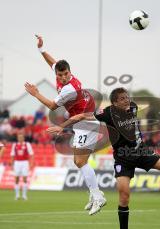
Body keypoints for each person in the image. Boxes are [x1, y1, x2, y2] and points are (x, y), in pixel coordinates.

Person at [47, 87, 160, 229]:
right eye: (122, 99)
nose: (126, 100)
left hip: (141, 151)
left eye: (127, 97)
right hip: (123, 158)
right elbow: (82, 116)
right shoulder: (107, 113)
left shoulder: (133, 107)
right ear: (114, 103)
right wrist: (62, 126)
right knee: (124, 195)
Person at [24, 35, 105, 215]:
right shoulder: (62, 75)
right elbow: (52, 62)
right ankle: (95, 194)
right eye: (59, 74)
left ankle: (98, 196)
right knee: (79, 161)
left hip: (87, 121)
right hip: (81, 121)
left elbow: (52, 106)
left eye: (65, 74)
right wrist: (41, 49)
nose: (62, 77)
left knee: (80, 161)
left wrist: (36, 93)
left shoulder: (69, 88)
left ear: (70, 72)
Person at [11, 133, 34, 200]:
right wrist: (12, 164)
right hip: (17, 162)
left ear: (23, 138)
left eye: (21, 137)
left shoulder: (27, 144)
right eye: (19, 137)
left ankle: (24, 195)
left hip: (25, 162)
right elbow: (12, 155)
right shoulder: (15, 145)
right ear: (17, 138)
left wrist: (31, 163)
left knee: (25, 178)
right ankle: (17, 195)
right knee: (16, 179)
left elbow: (31, 154)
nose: (20, 139)